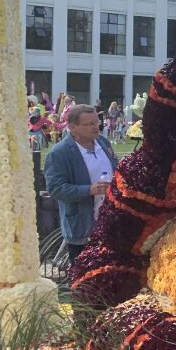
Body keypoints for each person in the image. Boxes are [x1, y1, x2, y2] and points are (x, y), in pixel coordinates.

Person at [43, 105, 118, 263]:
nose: (95, 127)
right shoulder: (59, 154)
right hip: (82, 226)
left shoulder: (104, 143)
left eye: (97, 122)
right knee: (84, 280)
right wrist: (88, 190)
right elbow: (56, 189)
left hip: (112, 223)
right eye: (89, 124)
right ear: (72, 127)